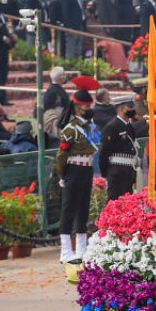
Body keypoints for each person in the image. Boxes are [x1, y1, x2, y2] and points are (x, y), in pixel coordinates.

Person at [55, 88, 97, 264]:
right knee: (69, 209)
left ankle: (81, 249)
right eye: (87, 106)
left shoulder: (88, 127)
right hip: (73, 169)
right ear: (79, 107)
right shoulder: (71, 129)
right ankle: (66, 251)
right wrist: (62, 175)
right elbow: (61, 155)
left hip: (86, 169)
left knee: (83, 208)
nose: (89, 109)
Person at [97, 93, 138, 200]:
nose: (133, 109)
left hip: (128, 170)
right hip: (116, 171)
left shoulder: (128, 126)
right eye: (130, 107)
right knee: (115, 203)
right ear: (123, 109)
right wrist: (106, 173)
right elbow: (104, 152)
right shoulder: (112, 126)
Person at [42, 67, 70, 142]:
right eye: (63, 74)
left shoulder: (51, 90)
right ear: (60, 78)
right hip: (55, 122)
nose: (65, 77)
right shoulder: (56, 92)